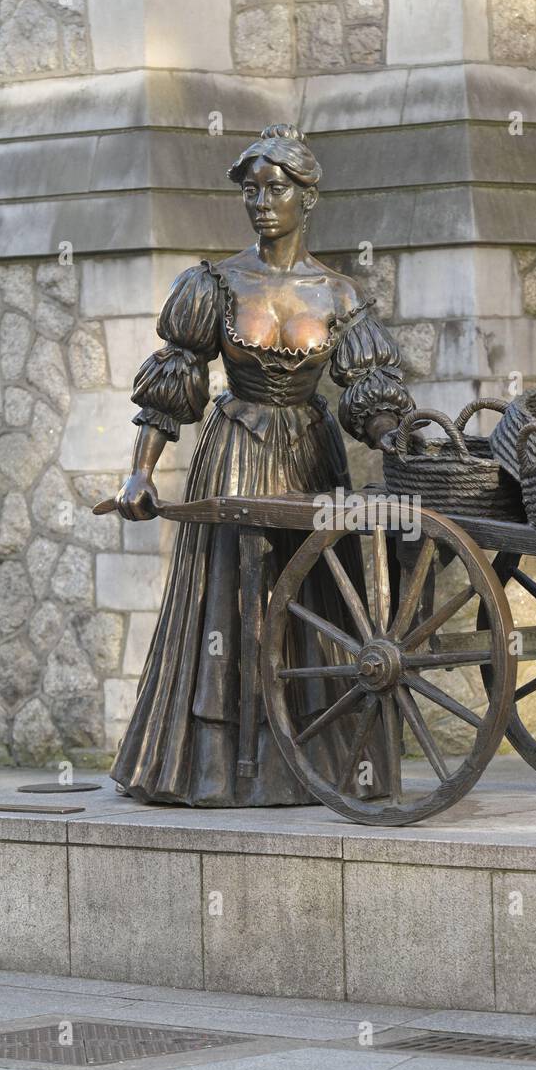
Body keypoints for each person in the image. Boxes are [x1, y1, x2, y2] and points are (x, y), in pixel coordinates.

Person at [111, 124, 414, 806]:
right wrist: (139, 472)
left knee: (309, 598)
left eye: (275, 189)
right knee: (230, 606)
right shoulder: (214, 283)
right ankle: (218, 767)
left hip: (310, 458)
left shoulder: (338, 294)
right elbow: (174, 386)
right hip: (235, 455)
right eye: (250, 190)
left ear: (308, 199)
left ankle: (309, 760)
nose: (260, 202)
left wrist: (395, 437)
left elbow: (368, 393)